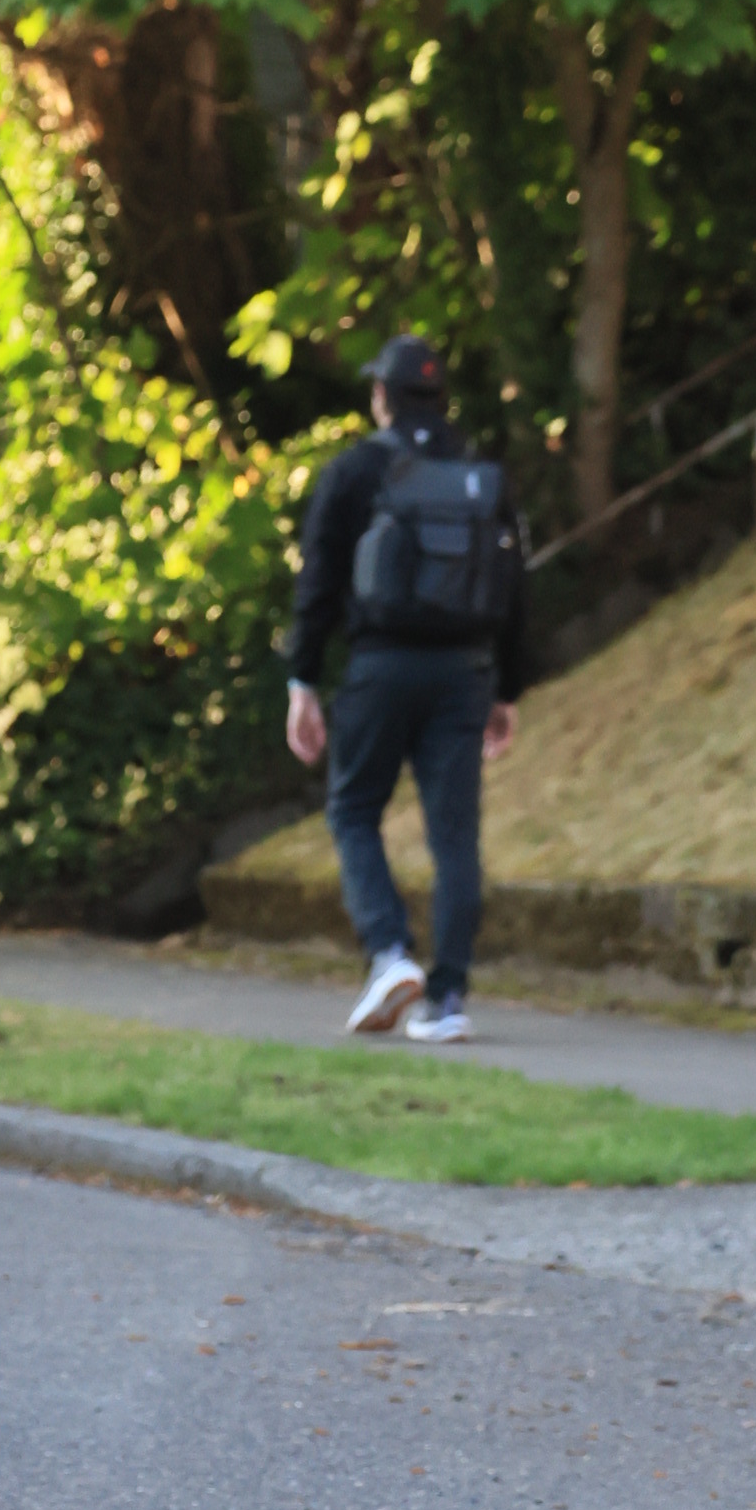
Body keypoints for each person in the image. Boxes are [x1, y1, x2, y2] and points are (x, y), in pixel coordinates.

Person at [284, 330, 528, 1045]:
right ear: (441, 399)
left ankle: (390, 953)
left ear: (381, 397)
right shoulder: (482, 476)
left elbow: (319, 580)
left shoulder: (357, 471)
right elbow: (515, 590)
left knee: (354, 808)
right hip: (464, 673)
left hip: (381, 667)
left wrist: (303, 679)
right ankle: (447, 1001)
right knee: (455, 835)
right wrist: (507, 691)